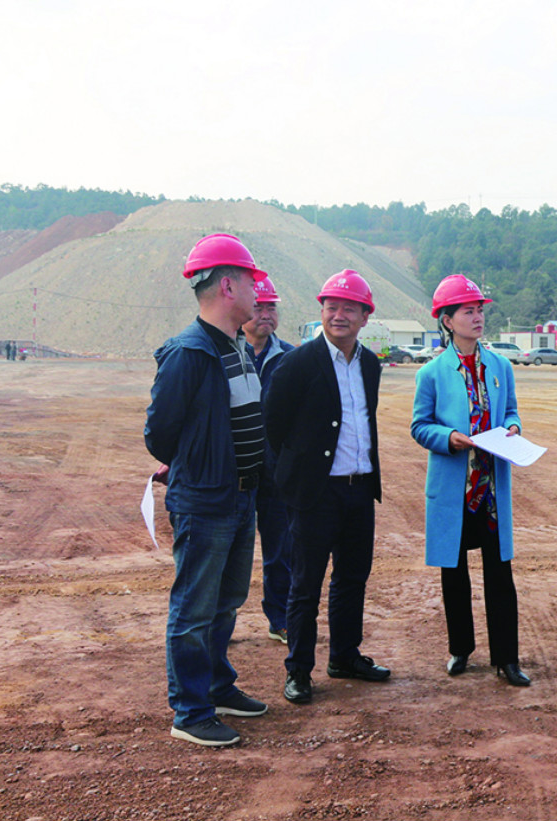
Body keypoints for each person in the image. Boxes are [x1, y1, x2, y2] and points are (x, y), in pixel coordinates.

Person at [144, 233, 270, 747]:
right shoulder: (188, 353)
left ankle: (217, 687)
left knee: (226, 600)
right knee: (195, 607)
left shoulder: (236, 346)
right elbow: (159, 434)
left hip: (240, 497)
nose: (258, 293)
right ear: (227, 287)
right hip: (205, 500)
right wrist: (195, 464)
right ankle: (190, 711)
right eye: (250, 283)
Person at [264, 269, 389, 706]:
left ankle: (345, 656)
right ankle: (298, 670)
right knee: (305, 585)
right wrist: (297, 476)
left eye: (349, 309)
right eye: (332, 307)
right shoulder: (297, 363)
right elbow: (273, 426)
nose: (339, 315)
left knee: (352, 578)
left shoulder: (369, 364)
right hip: (315, 494)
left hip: (359, 489)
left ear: (365, 317)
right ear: (321, 311)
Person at [410, 275, 529, 687]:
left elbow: (511, 411)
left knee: (500, 572)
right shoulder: (432, 373)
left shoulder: (500, 366)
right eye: (468, 311)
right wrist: (449, 438)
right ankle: (460, 648)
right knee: (454, 571)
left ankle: (507, 659)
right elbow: (420, 425)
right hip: (454, 489)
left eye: (480, 310)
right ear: (447, 320)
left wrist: (512, 428)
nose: (477, 317)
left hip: (490, 489)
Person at [242, 276, 296, 646]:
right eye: (259, 306)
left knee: (281, 548)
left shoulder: (291, 358)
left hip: (278, 471)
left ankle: (280, 618)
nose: (266, 314)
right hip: (235, 469)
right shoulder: (224, 354)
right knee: (228, 549)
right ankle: (218, 620)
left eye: (271, 307)